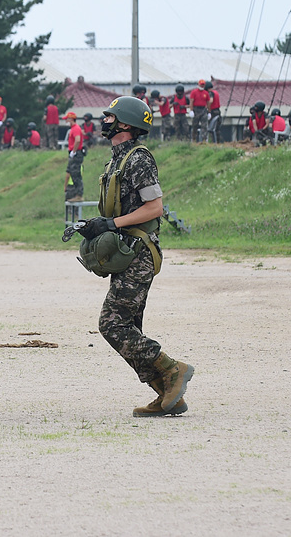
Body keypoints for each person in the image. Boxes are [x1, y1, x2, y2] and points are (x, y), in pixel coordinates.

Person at [75, 96, 193, 417]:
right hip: (126, 252)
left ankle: (173, 370)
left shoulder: (138, 158)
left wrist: (111, 223)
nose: (105, 120)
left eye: (110, 116)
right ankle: (167, 393)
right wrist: (97, 228)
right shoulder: (117, 158)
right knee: (129, 328)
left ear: (125, 124)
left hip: (139, 252)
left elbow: (154, 208)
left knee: (112, 324)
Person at [64, 111, 85, 202]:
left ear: (71, 119)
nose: (66, 121)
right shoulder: (74, 128)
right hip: (75, 152)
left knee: (76, 173)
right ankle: (77, 194)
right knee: (73, 173)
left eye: (67, 119)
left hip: (76, 153)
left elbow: (77, 140)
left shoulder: (75, 128)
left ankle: (79, 195)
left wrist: (74, 151)